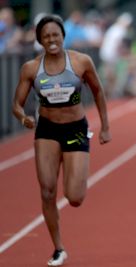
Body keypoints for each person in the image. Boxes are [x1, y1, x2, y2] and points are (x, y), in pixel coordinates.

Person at [11, 14, 111, 266]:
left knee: (74, 197)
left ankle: (74, 172)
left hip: (75, 128)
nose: (51, 39)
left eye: (55, 34)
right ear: (40, 41)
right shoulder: (31, 68)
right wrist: (24, 119)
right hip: (46, 131)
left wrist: (105, 127)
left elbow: (98, 91)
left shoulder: (81, 62)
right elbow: (16, 105)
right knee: (46, 191)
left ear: (63, 36)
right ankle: (58, 248)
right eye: (46, 36)